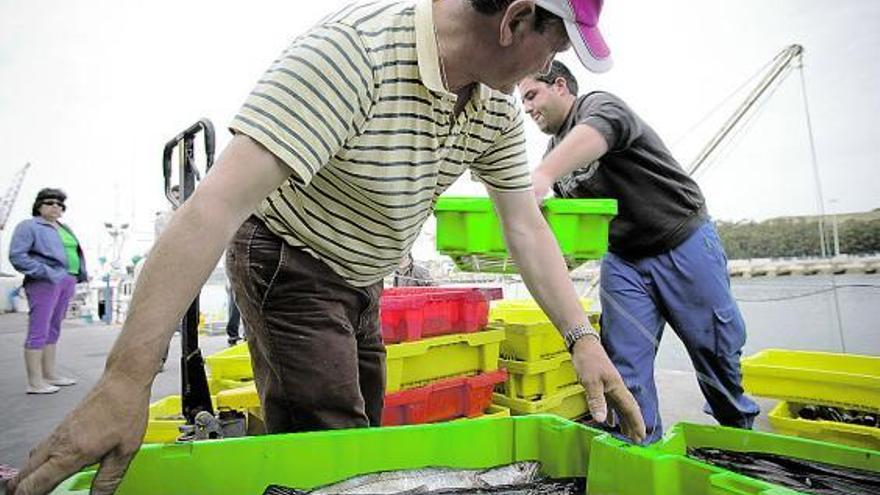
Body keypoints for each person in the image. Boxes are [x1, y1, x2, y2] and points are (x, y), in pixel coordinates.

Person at [10, 1, 646, 493]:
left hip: (364, 278)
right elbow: (214, 206)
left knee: (362, 442)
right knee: (329, 441)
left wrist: (581, 341)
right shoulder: (353, 56)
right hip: (289, 260)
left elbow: (525, 225)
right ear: (514, 19)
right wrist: (125, 381)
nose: (545, 69)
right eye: (553, 45)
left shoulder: (492, 107)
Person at [518, 60, 760, 443]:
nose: (527, 107)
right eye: (523, 101)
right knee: (624, 366)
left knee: (717, 355)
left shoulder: (599, 106)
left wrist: (542, 175)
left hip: (682, 238)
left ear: (560, 85)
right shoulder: (554, 151)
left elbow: (601, 132)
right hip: (623, 259)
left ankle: (742, 440)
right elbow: (578, 233)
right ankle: (642, 450)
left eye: (531, 94)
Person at [8, 188, 87, 395]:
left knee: (53, 329)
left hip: (67, 280)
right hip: (44, 282)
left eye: (60, 204)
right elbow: (17, 256)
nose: (56, 207)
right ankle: (35, 382)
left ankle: (50, 374)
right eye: (50, 202)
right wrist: (45, 272)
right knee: (39, 330)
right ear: (39, 205)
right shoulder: (29, 226)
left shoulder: (63, 227)